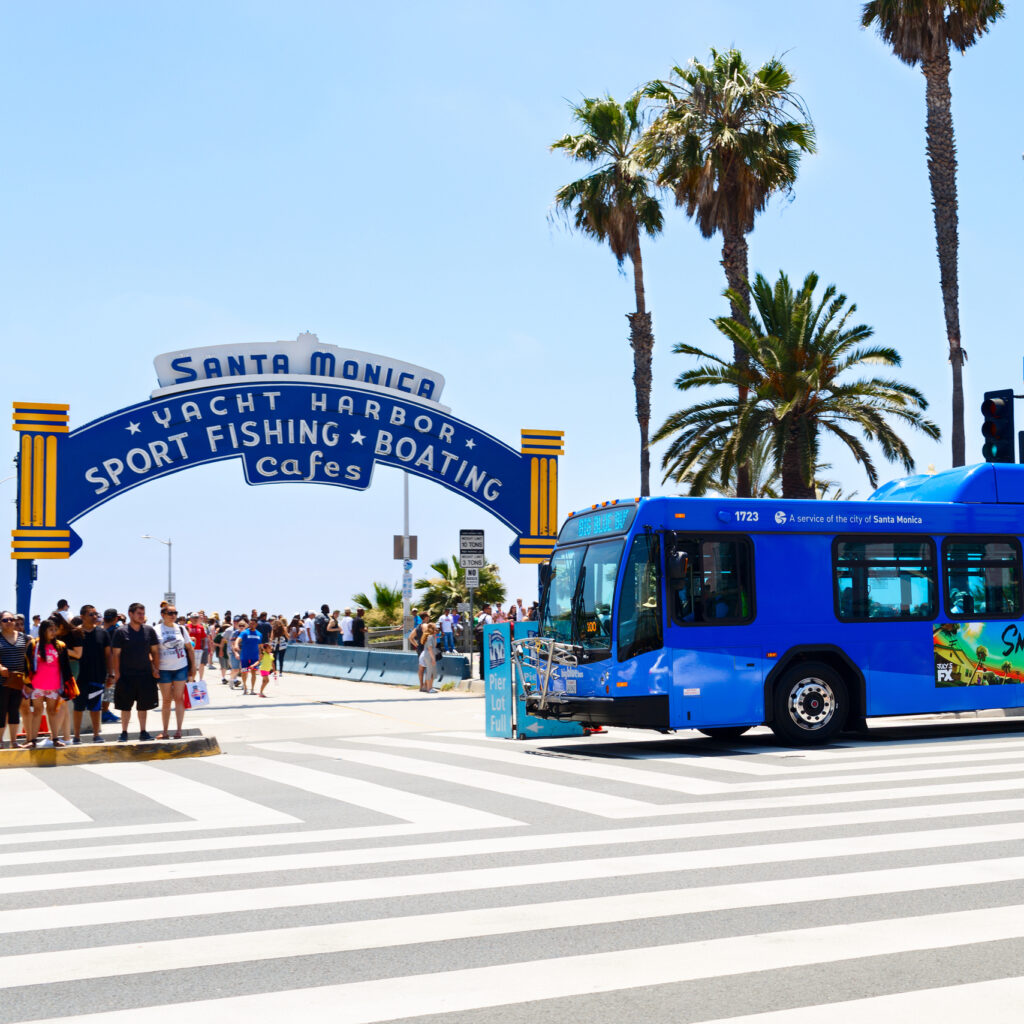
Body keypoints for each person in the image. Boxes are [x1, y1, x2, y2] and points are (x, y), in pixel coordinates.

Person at [110, 602, 160, 743]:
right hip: (126, 675)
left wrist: (156, 669)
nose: (141, 616)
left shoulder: (149, 630)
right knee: (125, 706)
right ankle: (124, 732)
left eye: (143, 614)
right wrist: (117, 673)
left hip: (145, 675)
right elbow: (116, 654)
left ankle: (143, 732)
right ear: (130, 614)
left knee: (143, 706)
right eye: (138, 613)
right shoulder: (121, 632)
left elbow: (155, 651)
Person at [25, 619, 73, 748]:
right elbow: (27, 665)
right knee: (37, 711)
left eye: (55, 630)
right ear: (43, 630)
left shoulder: (60, 645)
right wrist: (27, 683)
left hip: (54, 685)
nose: (54, 632)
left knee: (52, 711)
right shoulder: (34, 644)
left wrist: (69, 686)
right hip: (37, 685)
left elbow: (66, 667)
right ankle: (32, 740)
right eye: (50, 630)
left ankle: (55, 738)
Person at [155, 605, 194, 740]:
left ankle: (179, 730)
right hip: (164, 669)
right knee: (166, 700)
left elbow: (189, 648)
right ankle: (165, 731)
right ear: (163, 614)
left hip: (180, 667)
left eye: (175, 613)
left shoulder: (181, 629)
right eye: (170, 613)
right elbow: (152, 650)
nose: (173, 615)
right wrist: (153, 667)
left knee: (179, 698)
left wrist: (193, 668)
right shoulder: (156, 630)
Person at [73, 605, 110, 745]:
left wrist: (110, 674)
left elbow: (108, 655)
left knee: (96, 706)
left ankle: (96, 735)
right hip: (79, 677)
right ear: (82, 616)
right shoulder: (75, 633)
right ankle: (76, 737)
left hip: (97, 676)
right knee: (78, 707)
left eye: (96, 614)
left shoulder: (103, 633)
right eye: (91, 614)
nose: (95, 617)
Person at [0, 611, 28, 749]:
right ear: (0, 623)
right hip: (2, 680)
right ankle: (0, 742)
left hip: (18, 680)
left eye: (11, 619)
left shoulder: (23, 637)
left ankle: (14, 742)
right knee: (1, 710)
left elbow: (29, 657)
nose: (10, 622)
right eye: (5, 620)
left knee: (14, 710)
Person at [233, 617, 262, 695]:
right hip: (245, 656)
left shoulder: (259, 634)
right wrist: (236, 645)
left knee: (253, 673)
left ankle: (252, 689)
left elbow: (260, 646)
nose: (251, 625)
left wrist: (261, 655)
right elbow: (238, 640)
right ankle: (245, 687)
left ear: (256, 624)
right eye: (250, 623)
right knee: (244, 672)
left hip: (254, 657)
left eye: (253, 623)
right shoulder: (245, 632)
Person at [186, 613, 209, 682]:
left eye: (197, 617)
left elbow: (203, 638)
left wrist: (202, 648)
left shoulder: (201, 627)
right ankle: (189, 679)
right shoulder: (187, 626)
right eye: (194, 617)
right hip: (189, 650)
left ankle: (192, 679)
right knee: (189, 666)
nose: (195, 619)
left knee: (196, 667)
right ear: (190, 619)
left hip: (198, 650)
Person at [418, 624, 439, 693]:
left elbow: (434, 646)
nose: (436, 630)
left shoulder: (431, 637)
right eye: (435, 628)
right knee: (430, 672)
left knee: (430, 672)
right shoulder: (430, 637)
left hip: (427, 654)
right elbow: (430, 648)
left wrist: (435, 637)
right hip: (429, 655)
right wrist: (433, 659)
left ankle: (428, 687)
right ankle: (429, 688)